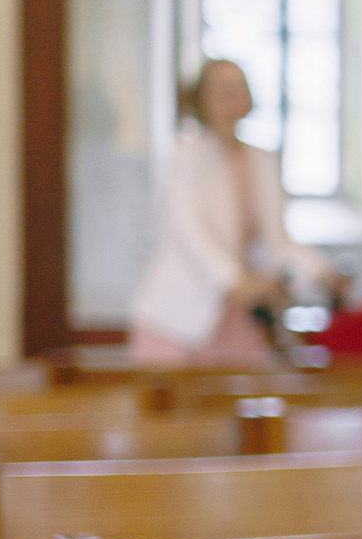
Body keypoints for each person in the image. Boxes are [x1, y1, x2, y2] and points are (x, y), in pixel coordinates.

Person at [126, 58, 343, 363]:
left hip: (238, 320)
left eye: (239, 88)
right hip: (180, 317)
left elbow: (278, 241)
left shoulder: (262, 160)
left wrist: (319, 271)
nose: (233, 97)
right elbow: (188, 231)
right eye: (223, 90)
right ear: (201, 98)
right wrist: (235, 282)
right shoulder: (186, 155)